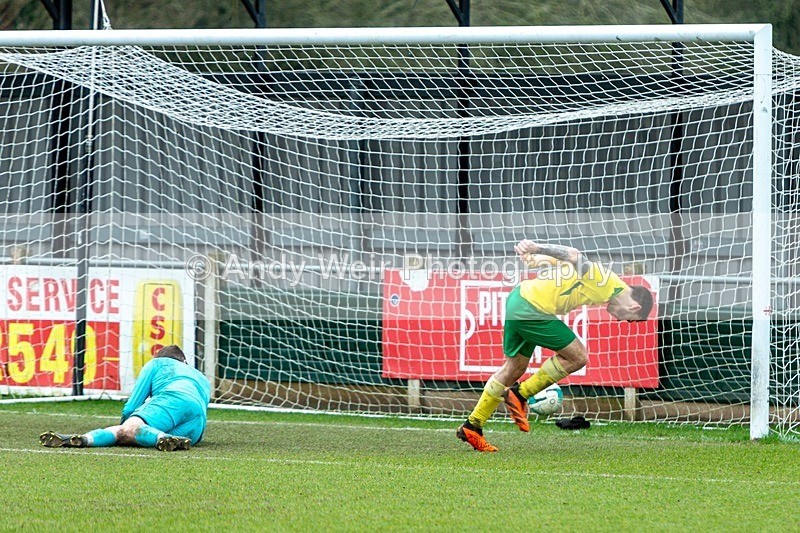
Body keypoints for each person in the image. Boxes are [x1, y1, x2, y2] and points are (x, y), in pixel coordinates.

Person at [457, 240, 654, 452]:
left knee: (513, 368)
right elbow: (574, 254)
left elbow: (565, 264)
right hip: (532, 308)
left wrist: (536, 259)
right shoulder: (606, 284)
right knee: (578, 357)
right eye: (630, 319)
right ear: (635, 307)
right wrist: (537, 248)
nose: (621, 321)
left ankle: (472, 426)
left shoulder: (607, 288)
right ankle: (521, 394)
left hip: (519, 298)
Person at [40, 345, 211, 452]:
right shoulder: (202, 378)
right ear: (184, 361)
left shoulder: (157, 364)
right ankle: (165, 438)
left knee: (126, 431)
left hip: (172, 399)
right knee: (136, 437)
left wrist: (126, 424)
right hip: (196, 429)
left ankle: (86, 439)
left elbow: (132, 406)